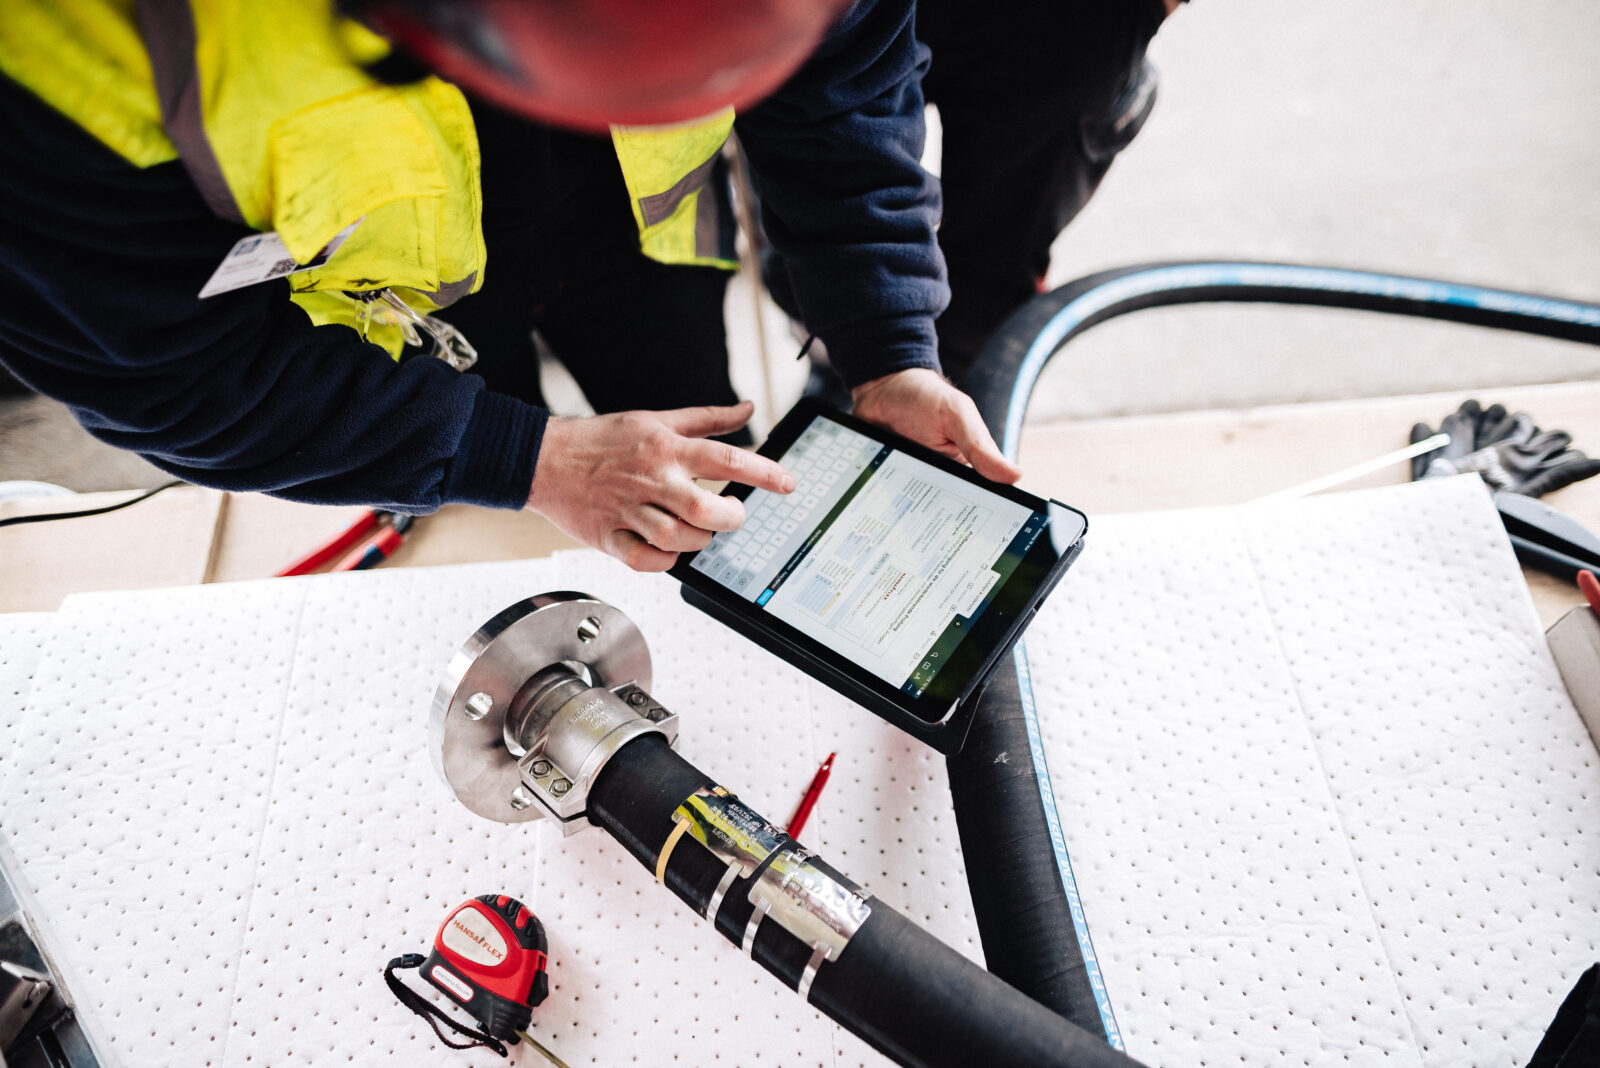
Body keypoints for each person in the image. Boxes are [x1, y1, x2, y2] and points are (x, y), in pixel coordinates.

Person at [0, 0, 1017, 574]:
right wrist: (523, 458)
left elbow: (845, 90)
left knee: (695, 476)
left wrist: (887, 344)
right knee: (498, 515)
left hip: (647, 250)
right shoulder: (66, 48)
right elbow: (161, 367)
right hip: (399, 311)